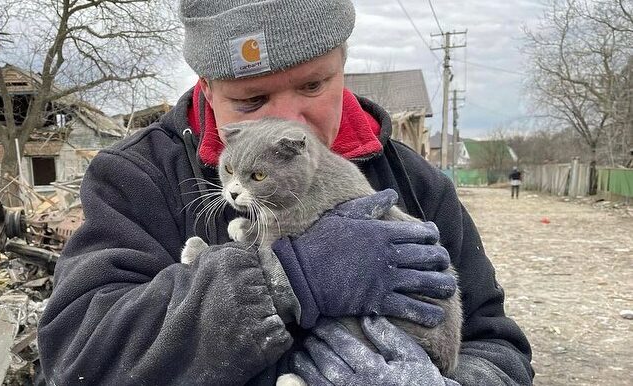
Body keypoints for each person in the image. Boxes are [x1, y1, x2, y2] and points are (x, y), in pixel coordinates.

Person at [38, 1, 533, 385]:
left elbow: (499, 349)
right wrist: (279, 279)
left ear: (342, 61)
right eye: (251, 99)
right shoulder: (136, 178)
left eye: (314, 85)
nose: (288, 122)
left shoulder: (414, 184)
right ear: (207, 88)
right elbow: (76, 360)